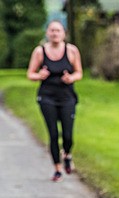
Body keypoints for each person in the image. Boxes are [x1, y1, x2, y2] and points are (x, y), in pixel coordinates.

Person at [26, 20, 83, 182]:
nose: (55, 33)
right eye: (52, 30)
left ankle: (67, 154)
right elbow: (30, 74)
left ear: (64, 33)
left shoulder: (71, 51)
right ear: (47, 33)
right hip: (47, 97)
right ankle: (57, 169)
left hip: (67, 97)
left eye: (58, 30)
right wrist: (39, 76)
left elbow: (79, 73)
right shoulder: (40, 52)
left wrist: (71, 78)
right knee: (53, 134)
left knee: (68, 135)